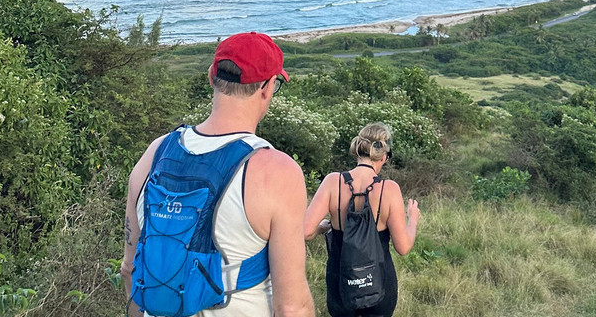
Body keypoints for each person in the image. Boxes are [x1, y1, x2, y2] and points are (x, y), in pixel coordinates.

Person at [123, 31, 314, 317]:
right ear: (267, 88)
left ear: (212, 76)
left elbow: (129, 270)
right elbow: (291, 307)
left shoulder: (155, 153)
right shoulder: (277, 173)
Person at [303, 122, 421, 317]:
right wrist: (413, 220)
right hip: (379, 282)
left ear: (358, 150)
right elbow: (403, 247)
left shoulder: (332, 181)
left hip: (341, 280)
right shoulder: (389, 189)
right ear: (384, 156)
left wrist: (323, 228)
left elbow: (306, 231)